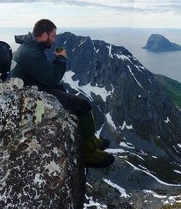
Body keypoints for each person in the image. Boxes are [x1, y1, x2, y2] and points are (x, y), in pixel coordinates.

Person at [10, 19, 114, 168]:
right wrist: (60, 58)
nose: (54, 40)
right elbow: (53, 77)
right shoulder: (31, 53)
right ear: (44, 35)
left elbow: (44, 74)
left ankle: (90, 139)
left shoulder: (30, 47)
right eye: (53, 36)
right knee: (83, 105)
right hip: (31, 96)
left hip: (33, 87)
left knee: (66, 94)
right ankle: (88, 153)